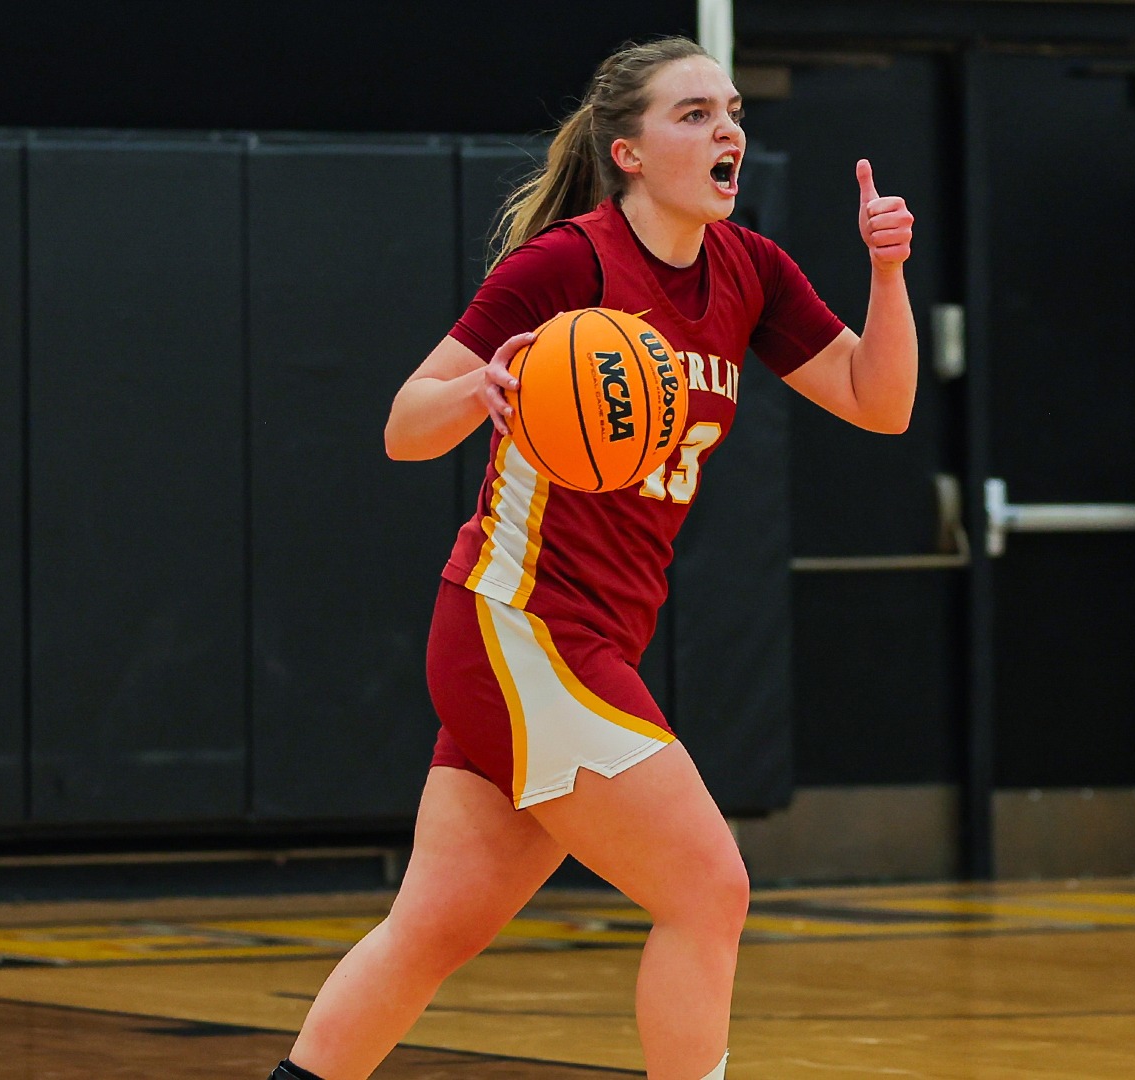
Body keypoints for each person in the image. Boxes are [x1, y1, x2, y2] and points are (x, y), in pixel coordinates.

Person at [271, 35, 915, 1080]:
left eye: (732, 111)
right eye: (694, 114)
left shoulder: (751, 269)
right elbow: (403, 425)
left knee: (433, 929)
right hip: (521, 619)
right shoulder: (568, 263)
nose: (727, 130)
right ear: (629, 151)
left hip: (588, 637)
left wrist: (886, 273)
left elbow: (878, 402)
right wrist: (478, 390)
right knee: (709, 889)